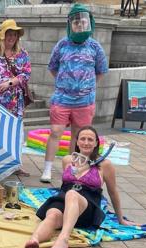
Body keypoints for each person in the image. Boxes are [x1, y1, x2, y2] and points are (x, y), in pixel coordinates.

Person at [24, 126, 137, 248]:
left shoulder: (105, 164)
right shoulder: (68, 160)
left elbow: (113, 193)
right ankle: (34, 241)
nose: (86, 142)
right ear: (77, 142)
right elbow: (65, 185)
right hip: (64, 199)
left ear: (96, 143)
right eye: (82, 139)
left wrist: (121, 219)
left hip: (87, 205)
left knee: (72, 194)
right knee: (53, 214)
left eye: (90, 139)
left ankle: (63, 239)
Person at [40, 3, 108, 182]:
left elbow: (101, 71)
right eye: (76, 22)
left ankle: (72, 169)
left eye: (83, 22)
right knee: (55, 131)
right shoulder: (62, 44)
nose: (79, 25)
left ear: (89, 23)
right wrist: (65, 83)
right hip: (62, 98)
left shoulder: (95, 47)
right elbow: (52, 67)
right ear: (70, 24)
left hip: (84, 101)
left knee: (77, 137)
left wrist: (87, 86)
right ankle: (47, 169)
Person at [0, 19, 31, 177]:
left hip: (15, 102)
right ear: (2, 35)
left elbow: (26, 74)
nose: (12, 37)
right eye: (9, 34)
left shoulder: (22, 53)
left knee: (16, 133)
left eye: (14, 34)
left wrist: (9, 83)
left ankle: (16, 165)